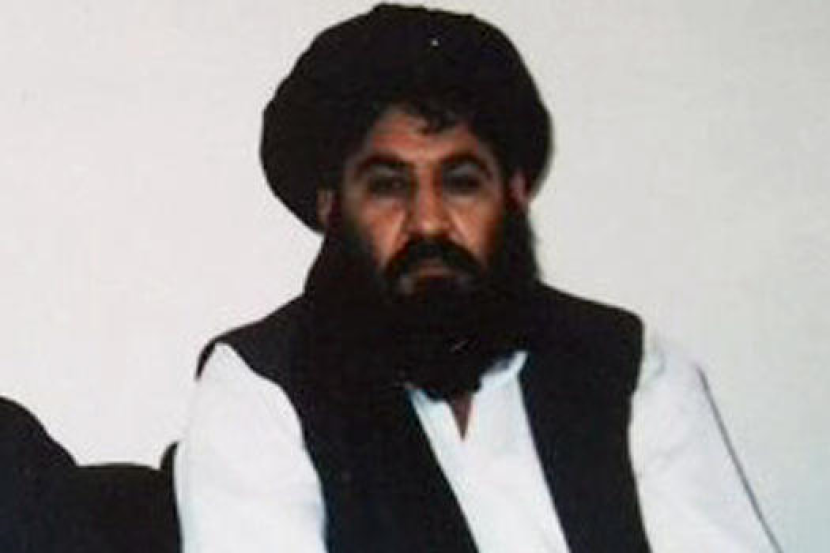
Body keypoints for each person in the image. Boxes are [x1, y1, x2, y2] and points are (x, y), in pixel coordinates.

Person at [175, 4, 779, 552]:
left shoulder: (630, 368)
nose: (429, 221)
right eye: (387, 186)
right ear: (332, 208)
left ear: (514, 193)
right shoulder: (260, 388)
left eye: (461, 182)